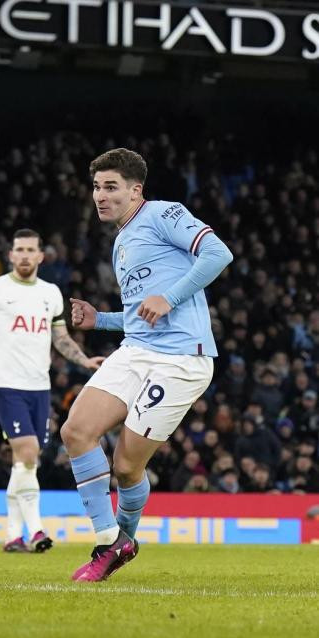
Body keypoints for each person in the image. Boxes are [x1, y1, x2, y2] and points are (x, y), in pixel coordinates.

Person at [63, 148, 232, 582]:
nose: (100, 195)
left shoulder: (161, 213)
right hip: (136, 350)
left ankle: (125, 537)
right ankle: (110, 540)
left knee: (125, 467)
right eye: (97, 187)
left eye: (111, 187)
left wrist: (171, 296)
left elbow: (217, 254)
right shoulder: (122, 241)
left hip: (182, 360)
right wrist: (99, 320)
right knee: (76, 431)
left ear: (135, 190)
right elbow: (144, 313)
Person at [0, 229, 103, 554]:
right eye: (19, 250)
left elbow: (60, 337)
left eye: (31, 250)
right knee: (27, 452)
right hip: (7, 385)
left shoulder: (51, 293)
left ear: (41, 256)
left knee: (26, 463)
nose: (25, 255)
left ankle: (12, 535)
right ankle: (37, 531)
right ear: (11, 255)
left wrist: (83, 360)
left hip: (40, 388)